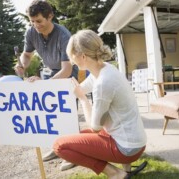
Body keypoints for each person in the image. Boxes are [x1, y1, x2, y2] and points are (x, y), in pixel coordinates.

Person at [53, 29, 147, 178]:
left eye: (72, 56)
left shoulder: (103, 83)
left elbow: (95, 127)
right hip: (135, 140)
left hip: (126, 148)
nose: (71, 61)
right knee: (78, 135)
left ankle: (116, 174)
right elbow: (80, 89)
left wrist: (83, 100)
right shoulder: (105, 69)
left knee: (59, 146)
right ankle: (126, 171)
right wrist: (44, 87)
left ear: (82, 56)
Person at [14, 0, 77, 171]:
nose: (36, 25)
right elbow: (27, 55)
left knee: (66, 114)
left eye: (39, 21)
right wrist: (22, 64)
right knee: (51, 114)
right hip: (50, 71)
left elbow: (66, 70)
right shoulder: (31, 32)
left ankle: (73, 153)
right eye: (32, 21)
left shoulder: (64, 35)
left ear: (50, 17)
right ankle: (58, 148)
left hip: (68, 71)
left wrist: (45, 85)